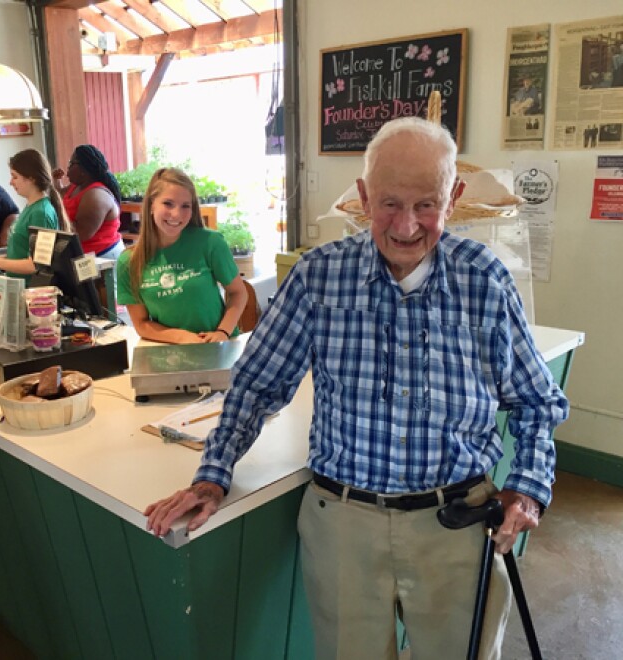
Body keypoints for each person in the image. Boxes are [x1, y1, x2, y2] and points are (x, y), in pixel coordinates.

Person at [145, 117, 569, 659]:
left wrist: (529, 485)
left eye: (427, 204)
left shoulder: (484, 278)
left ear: (454, 197)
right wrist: (212, 476)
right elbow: (255, 386)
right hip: (343, 526)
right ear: (364, 197)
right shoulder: (318, 277)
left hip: (458, 526)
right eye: (390, 203)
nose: (408, 225)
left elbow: (536, 399)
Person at [116, 168, 246, 344]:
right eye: (168, 204)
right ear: (151, 204)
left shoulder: (210, 243)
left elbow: (238, 293)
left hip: (218, 346)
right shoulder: (129, 262)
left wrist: (223, 332)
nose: (176, 214)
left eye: (186, 206)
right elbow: (141, 324)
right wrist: (181, 337)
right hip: (168, 352)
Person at [0, 149, 70, 281]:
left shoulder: (41, 212)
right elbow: (19, 254)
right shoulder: (30, 207)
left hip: (32, 291)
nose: (11, 182)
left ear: (31, 178)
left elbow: (36, 265)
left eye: (15, 177)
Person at [52, 145, 124, 259]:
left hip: (102, 258)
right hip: (85, 256)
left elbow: (81, 234)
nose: (68, 168)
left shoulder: (95, 196)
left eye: (71, 163)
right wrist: (56, 181)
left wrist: (51, 223)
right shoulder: (76, 186)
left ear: (83, 169)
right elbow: (61, 195)